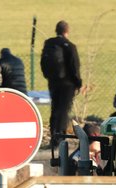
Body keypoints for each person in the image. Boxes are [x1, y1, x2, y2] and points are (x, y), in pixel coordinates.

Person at [41, 20, 83, 148]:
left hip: (53, 81)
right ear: (67, 31)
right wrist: (78, 83)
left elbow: (43, 62)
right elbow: (74, 66)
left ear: (56, 30)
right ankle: (61, 138)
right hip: (67, 83)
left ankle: (54, 138)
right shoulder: (70, 46)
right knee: (64, 110)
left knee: (55, 109)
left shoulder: (49, 44)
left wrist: (48, 76)